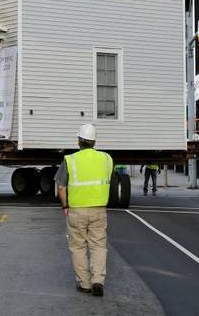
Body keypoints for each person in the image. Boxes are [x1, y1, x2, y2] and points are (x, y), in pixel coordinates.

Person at [55, 124, 113, 297]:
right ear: (94, 141)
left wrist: (65, 206)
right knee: (98, 246)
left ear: (79, 141)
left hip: (77, 210)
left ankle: (85, 284)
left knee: (78, 247)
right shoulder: (107, 159)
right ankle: (98, 281)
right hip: (99, 210)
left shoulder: (70, 160)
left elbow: (61, 187)